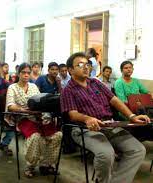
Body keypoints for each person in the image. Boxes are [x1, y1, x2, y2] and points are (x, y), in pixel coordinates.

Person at [61, 52, 149, 183]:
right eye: (80, 64)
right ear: (70, 70)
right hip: (84, 129)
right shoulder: (68, 90)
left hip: (109, 125)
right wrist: (87, 118)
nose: (85, 67)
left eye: (87, 64)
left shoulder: (96, 83)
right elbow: (73, 114)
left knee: (138, 150)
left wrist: (132, 116)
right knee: (106, 154)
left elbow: (114, 100)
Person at [6, 63, 62, 178]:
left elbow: (40, 101)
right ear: (18, 73)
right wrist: (23, 109)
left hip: (38, 117)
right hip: (23, 118)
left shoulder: (33, 87)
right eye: (23, 72)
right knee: (36, 136)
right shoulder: (12, 87)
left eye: (28, 72)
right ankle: (30, 166)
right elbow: (11, 105)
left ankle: (45, 164)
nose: (26, 75)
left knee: (57, 135)